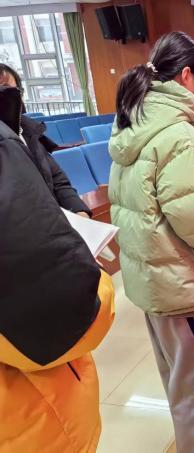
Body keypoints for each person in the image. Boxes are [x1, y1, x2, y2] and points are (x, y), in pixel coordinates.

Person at [108, 32, 194, 453]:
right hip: (182, 280)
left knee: (178, 373)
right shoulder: (178, 133)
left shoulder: (134, 119)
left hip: (152, 276)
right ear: (186, 75)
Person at [0, 90, 115, 452]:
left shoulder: (22, 135)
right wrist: (94, 276)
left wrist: (76, 213)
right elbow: (71, 312)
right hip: (30, 417)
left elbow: (57, 180)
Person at [0, 63, 91, 217]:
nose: (7, 97)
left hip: (56, 220)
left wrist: (78, 209)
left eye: (11, 90)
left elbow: (57, 180)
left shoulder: (31, 133)